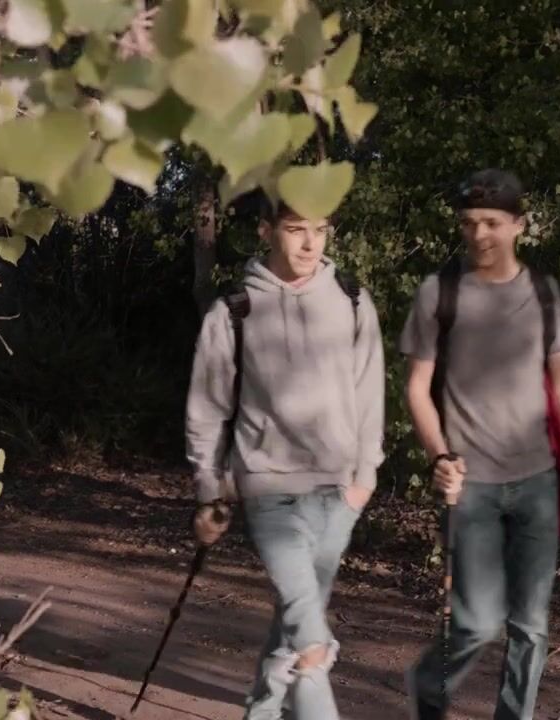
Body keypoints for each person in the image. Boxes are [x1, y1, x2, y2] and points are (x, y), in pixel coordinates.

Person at [399, 169, 560, 720]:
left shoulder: (543, 294)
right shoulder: (439, 293)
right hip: (472, 486)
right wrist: (439, 456)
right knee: (478, 622)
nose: (479, 234)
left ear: (518, 225)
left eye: (491, 222)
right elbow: (417, 388)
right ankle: (430, 682)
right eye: (469, 223)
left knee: (530, 626)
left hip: (537, 481)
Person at [184, 192, 386, 720]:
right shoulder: (234, 310)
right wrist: (209, 489)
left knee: (296, 620)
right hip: (268, 488)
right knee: (310, 636)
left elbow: (370, 392)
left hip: (339, 493)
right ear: (266, 230)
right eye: (296, 229)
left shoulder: (351, 300)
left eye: (320, 229)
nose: (310, 242)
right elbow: (207, 407)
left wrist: (364, 479)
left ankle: (262, 712)